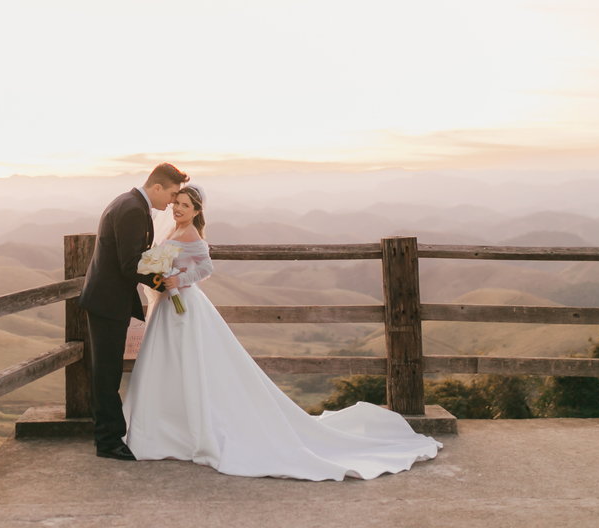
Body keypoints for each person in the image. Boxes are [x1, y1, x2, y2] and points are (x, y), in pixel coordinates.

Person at [122, 183, 442, 480]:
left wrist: (180, 279)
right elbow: (163, 261)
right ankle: (165, 427)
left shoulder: (192, 234)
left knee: (191, 366)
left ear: (196, 210)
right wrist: (163, 273)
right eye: (176, 202)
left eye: (184, 204)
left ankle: (180, 431)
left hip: (185, 308)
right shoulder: (175, 229)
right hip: (169, 306)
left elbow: (206, 268)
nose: (177, 208)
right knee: (168, 367)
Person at [78, 162, 189, 460]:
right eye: (171, 194)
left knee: (108, 370)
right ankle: (108, 441)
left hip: (109, 301)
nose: (171, 202)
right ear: (156, 187)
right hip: (106, 302)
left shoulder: (130, 203)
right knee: (107, 373)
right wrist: (163, 283)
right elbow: (131, 264)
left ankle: (109, 435)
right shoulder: (132, 210)